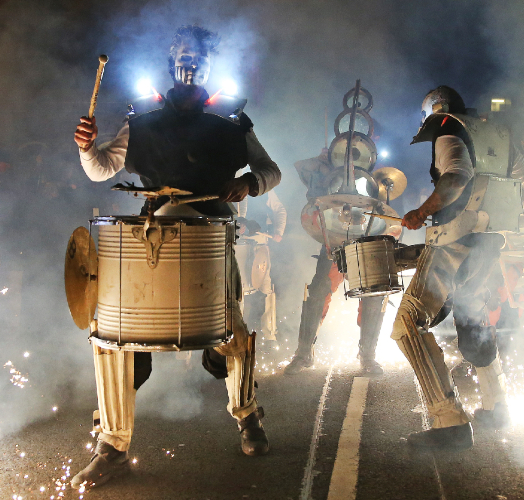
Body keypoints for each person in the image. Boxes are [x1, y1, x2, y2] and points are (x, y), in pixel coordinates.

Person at [72, 25, 281, 488]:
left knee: (233, 332)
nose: (191, 64)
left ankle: (248, 416)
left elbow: (271, 170)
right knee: (118, 335)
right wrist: (87, 147)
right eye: (183, 56)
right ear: (173, 63)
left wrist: (248, 184)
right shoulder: (143, 118)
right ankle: (111, 445)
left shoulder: (231, 120)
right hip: (153, 238)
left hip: (211, 236)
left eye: (199, 57)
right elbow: (101, 169)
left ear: (210, 65)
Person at [392, 86, 515, 450]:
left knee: (407, 324)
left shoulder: (448, 128)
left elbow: (456, 176)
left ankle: (449, 423)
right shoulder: (496, 133)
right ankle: (497, 407)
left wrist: (422, 211)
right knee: (472, 319)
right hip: (490, 239)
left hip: (456, 239)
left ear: (433, 111)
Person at [284, 149, 388, 376]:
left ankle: (367, 355)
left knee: (372, 295)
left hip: (365, 243)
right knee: (318, 292)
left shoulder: (374, 183)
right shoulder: (328, 177)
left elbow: (383, 215)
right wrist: (322, 161)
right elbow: (301, 166)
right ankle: (303, 353)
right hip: (334, 242)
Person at [236, 189, 286, 340]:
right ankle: (236, 336)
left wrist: (279, 231)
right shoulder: (225, 185)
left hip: (260, 243)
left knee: (265, 289)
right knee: (239, 291)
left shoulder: (262, 187)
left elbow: (280, 210)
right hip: (235, 245)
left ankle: (269, 334)